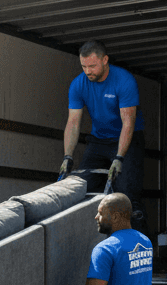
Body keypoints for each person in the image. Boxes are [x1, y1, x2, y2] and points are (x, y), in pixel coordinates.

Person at [60, 40, 147, 230]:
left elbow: (128, 122)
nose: (88, 71)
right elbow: (73, 122)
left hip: (128, 139)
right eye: (84, 66)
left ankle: (140, 249)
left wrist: (119, 157)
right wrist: (68, 156)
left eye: (92, 66)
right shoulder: (78, 84)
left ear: (105, 60)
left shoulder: (124, 80)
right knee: (83, 187)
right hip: (99, 140)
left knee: (127, 196)